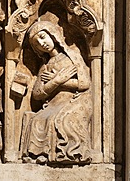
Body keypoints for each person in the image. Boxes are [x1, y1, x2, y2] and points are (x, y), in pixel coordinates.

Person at [21, 21, 92, 165]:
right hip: (52, 104)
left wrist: (60, 81)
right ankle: (40, 154)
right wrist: (56, 82)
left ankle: (69, 154)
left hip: (72, 101)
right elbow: (37, 93)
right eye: (37, 43)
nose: (42, 43)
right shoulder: (46, 66)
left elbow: (84, 84)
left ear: (53, 34)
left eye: (43, 37)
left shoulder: (72, 56)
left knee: (62, 120)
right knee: (37, 121)